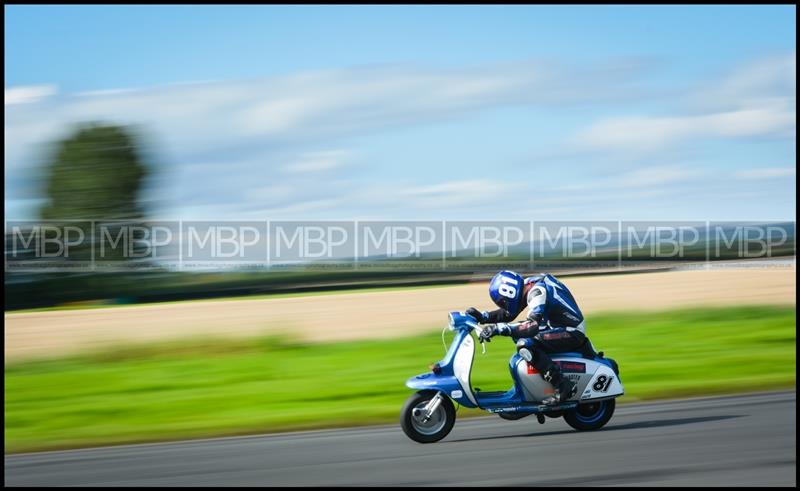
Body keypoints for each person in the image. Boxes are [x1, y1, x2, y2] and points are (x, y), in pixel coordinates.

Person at [465, 270, 596, 404]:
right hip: (557, 326)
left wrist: (499, 328)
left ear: (510, 293)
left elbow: (532, 326)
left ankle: (563, 386)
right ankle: (536, 387)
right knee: (518, 335)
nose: (504, 305)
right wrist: (482, 317)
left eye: (503, 302)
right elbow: (509, 314)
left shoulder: (536, 292)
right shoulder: (529, 285)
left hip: (571, 331)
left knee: (525, 344)